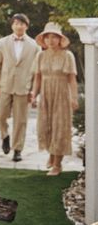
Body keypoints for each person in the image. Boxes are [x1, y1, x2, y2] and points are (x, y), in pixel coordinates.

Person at [0, 13, 40, 162]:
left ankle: (18, 149)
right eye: (16, 23)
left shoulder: (34, 46)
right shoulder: (2, 43)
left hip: (23, 87)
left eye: (22, 24)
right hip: (4, 85)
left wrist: (34, 91)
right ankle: (5, 136)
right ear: (12, 25)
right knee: (0, 115)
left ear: (26, 26)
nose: (19, 26)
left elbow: (37, 71)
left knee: (20, 121)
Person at [31, 22, 78, 176]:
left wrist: (74, 98)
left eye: (54, 37)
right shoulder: (40, 55)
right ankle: (52, 155)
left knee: (60, 127)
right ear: (44, 39)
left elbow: (72, 80)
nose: (50, 40)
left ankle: (57, 164)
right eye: (47, 37)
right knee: (46, 126)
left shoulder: (67, 56)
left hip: (61, 94)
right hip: (46, 94)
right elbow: (37, 78)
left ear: (60, 39)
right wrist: (34, 94)